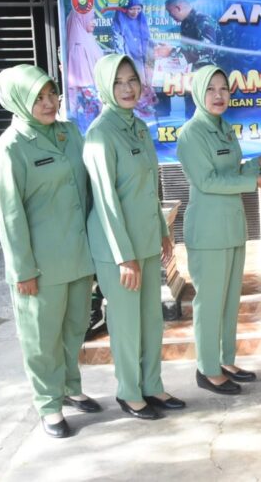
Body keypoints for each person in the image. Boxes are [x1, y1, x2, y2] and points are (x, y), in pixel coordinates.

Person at [0, 65, 100, 438]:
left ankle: (70, 386)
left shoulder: (69, 133)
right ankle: (48, 404)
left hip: (78, 255)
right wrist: (22, 270)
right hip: (41, 266)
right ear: (18, 101)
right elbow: (9, 217)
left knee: (74, 328)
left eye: (52, 94)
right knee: (40, 338)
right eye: (39, 98)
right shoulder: (8, 151)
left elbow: (88, 189)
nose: (50, 103)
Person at [83, 53, 185, 420]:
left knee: (150, 319)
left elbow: (150, 188)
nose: (127, 88)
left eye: (132, 81)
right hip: (117, 249)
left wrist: (162, 231)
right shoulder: (99, 134)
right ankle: (129, 391)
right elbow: (106, 201)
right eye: (118, 82)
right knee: (126, 323)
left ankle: (152, 385)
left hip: (144, 237)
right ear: (105, 88)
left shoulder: (139, 127)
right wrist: (123, 255)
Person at [176, 65, 261, 395]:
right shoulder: (191, 134)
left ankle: (225, 359)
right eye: (211, 89)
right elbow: (207, 180)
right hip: (208, 231)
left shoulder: (224, 128)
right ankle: (207, 369)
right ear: (198, 93)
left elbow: (229, 170)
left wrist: (256, 164)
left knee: (228, 300)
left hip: (232, 227)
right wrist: (254, 180)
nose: (219, 95)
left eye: (224, 88)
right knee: (209, 302)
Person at [65, 8, 103, 127]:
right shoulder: (78, 46)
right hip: (88, 104)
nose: (94, 22)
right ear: (81, 20)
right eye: (91, 19)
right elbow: (83, 83)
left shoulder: (87, 39)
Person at [112, 0, 152, 85]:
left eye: (138, 9)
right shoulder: (119, 21)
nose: (135, 12)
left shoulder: (142, 20)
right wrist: (124, 61)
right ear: (125, 9)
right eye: (132, 9)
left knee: (144, 85)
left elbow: (148, 40)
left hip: (143, 59)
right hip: (127, 58)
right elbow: (118, 43)